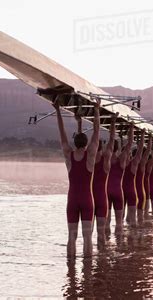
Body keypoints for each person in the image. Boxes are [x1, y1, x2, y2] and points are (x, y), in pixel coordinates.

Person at [53, 96, 100, 258]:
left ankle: (71, 272)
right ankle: (87, 271)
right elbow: (96, 131)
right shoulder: (91, 155)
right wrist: (96, 110)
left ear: (74, 142)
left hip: (72, 200)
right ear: (86, 144)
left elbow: (62, 133)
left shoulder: (68, 154)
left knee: (71, 237)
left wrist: (58, 110)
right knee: (88, 238)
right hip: (87, 200)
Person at [91, 112, 118, 245]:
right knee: (101, 232)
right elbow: (112, 140)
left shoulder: (88, 160)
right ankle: (102, 260)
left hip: (90, 198)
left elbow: (93, 135)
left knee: (88, 234)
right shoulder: (106, 159)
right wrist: (112, 122)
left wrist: (79, 123)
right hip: (103, 198)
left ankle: (88, 262)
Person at [107, 123, 133, 234]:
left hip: (106, 192)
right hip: (118, 191)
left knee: (106, 222)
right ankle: (120, 246)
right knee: (119, 223)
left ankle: (104, 247)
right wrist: (131, 128)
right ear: (118, 149)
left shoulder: (105, 158)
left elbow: (111, 138)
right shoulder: (121, 160)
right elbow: (130, 144)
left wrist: (112, 123)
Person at [121, 124, 137, 227]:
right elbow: (138, 150)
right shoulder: (134, 164)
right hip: (131, 191)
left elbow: (127, 147)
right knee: (132, 219)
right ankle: (133, 238)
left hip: (121, 191)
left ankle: (120, 240)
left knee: (120, 219)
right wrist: (131, 130)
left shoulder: (119, 163)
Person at [134, 130, 147, 224]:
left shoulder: (125, 163)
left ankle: (122, 238)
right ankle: (139, 235)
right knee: (140, 217)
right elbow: (147, 152)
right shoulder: (142, 165)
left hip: (129, 191)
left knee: (128, 218)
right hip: (140, 193)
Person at [143, 134, 153, 216]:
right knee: (145, 213)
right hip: (145, 189)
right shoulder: (149, 166)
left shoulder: (135, 163)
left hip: (135, 188)